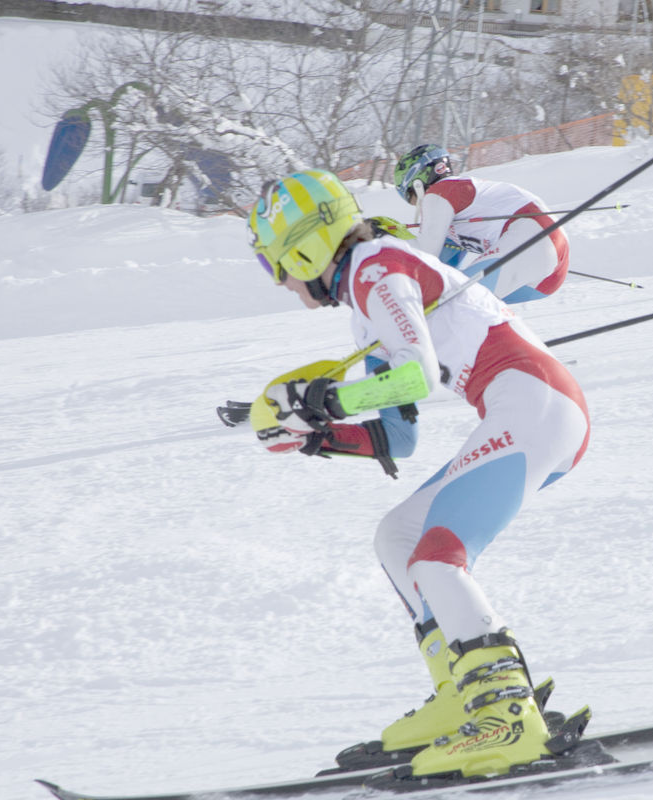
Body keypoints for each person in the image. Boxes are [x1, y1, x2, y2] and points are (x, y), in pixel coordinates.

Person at [245, 169, 591, 780]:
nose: (282, 282)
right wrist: (317, 435)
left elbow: (416, 376)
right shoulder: (367, 300)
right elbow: (398, 438)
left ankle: (506, 712)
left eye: (276, 265)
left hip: (536, 404)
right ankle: (464, 693)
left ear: (304, 250)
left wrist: (324, 402)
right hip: (528, 408)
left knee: (437, 557)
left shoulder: (377, 268)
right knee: (398, 537)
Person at [393, 144, 570, 304]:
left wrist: (387, 240)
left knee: (456, 302)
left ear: (418, 184)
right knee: (454, 305)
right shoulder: (456, 204)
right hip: (548, 272)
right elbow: (441, 272)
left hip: (533, 234)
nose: (418, 206)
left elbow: (426, 253)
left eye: (412, 198)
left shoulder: (439, 192)